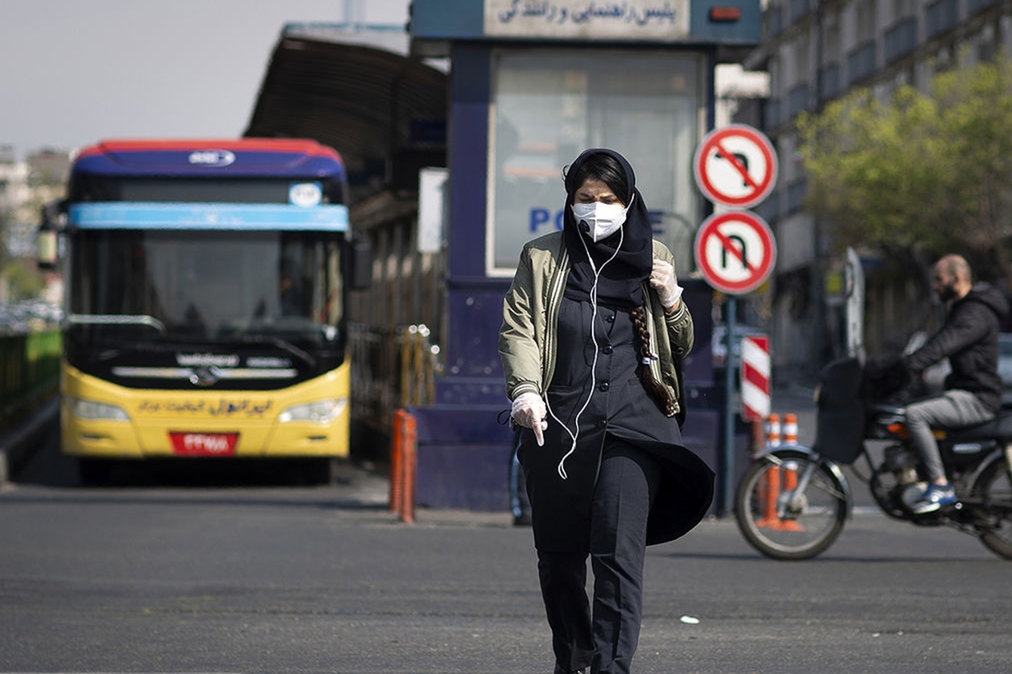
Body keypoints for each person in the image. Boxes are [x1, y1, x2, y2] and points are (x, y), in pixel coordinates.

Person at [498, 148, 714, 674]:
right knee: (559, 559)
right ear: (569, 201)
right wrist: (525, 391)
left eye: (609, 199)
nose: (597, 208)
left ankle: (612, 667)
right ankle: (572, 659)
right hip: (560, 426)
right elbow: (520, 327)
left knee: (617, 558)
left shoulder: (655, 254)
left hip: (635, 427)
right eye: (585, 199)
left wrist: (672, 300)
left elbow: (682, 344)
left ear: (629, 201)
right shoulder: (542, 256)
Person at [903, 254, 1009, 514]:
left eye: (939, 279)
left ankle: (940, 485)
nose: (935, 286)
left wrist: (906, 367)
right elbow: (938, 342)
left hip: (978, 397)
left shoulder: (974, 313)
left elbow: (942, 345)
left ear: (957, 278)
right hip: (966, 391)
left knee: (915, 415)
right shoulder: (962, 308)